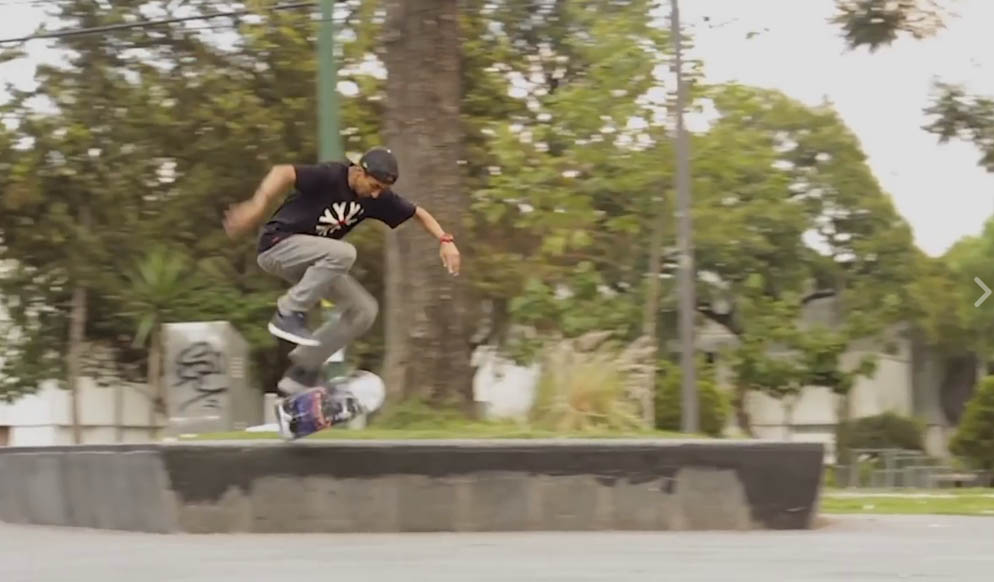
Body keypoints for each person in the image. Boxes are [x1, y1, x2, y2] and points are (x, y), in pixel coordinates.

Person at [223, 146, 461, 395]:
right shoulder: (330, 175)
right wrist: (257, 204)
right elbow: (282, 173)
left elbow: (418, 213)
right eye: (374, 185)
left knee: (364, 311)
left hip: (313, 263)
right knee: (344, 253)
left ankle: (303, 369)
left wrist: (446, 241)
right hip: (278, 246)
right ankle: (288, 312)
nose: (377, 194)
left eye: (383, 189)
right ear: (359, 172)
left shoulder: (376, 198)